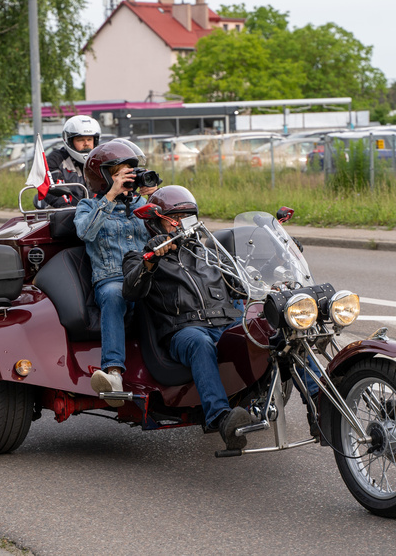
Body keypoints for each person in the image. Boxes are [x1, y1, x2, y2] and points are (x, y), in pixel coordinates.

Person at [122, 186, 320, 450]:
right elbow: (131, 290)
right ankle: (221, 418)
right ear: (156, 223)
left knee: (280, 331)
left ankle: (320, 404)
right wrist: (150, 261)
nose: (182, 225)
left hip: (226, 323)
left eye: (187, 217)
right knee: (199, 343)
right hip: (184, 330)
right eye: (175, 219)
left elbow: (245, 282)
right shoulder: (139, 256)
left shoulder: (207, 253)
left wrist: (277, 256)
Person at [73, 139, 159, 406]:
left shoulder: (141, 204)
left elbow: (170, 229)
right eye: (120, 173)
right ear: (103, 178)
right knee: (113, 296)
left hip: (147, 273)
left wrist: (157, 197)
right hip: (113, 278)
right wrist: (110, 196)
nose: (128, 177)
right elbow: (85, 232)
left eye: (130, 171)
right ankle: (113, 374)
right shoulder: (88, 206)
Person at [41, 115, 101, 208]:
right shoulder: (56, 159)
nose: (86, 143)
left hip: (98, 212)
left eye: (89, 139)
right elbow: (51, 187)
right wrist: (65, 207)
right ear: (69, 141)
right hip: (66, 213)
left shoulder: (101, 160)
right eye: (80, 140)